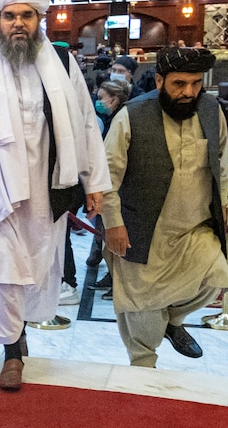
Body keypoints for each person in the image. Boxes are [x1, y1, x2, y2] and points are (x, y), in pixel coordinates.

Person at [0, 0, 110, 391]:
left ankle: (22, 330)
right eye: (9, 16)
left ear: (40, 19)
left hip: (47, 188)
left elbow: (86, 125)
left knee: (35, 270)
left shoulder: (63, 65)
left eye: (26, 16)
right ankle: (11, 352)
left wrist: (94, 181)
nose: (17, 23)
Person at [101, 47, 228, 368]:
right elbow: (106, 175)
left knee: (214, 278)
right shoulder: (131, 115)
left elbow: (222, 164)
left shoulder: (212, 110)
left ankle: (174, 321)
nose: (188, 92)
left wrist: (226, 204)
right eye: (179, 84)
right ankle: (142, 370)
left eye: (195, 83)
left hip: (195, 228)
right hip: (142, 230)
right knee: (142, 311)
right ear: (160, 80)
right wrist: (113, 224)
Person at [86, 79, 132, 297]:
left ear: (114, 98)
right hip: (108, 186)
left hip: (117, 190)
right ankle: (112, 278)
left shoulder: (123, 119)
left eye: (102, 97)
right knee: (105, 241)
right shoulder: (111, 117)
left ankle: (118, 283)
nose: (98, 101)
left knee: (114, 242)